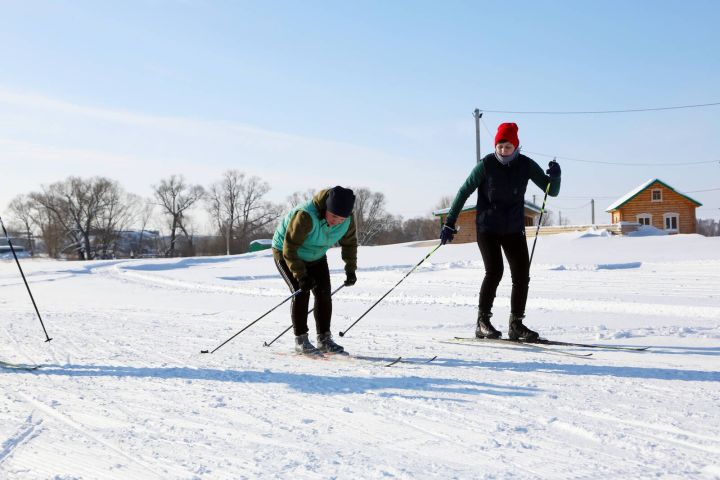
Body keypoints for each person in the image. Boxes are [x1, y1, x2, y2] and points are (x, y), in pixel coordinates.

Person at [440, 122, 561, 342]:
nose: (503, 151)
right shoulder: (485, 165)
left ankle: (516, 324)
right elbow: (463, 191)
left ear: (516, 146)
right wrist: (449, 222)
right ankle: (482, 322)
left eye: (508, 147)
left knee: (521, 275)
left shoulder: (526, 165)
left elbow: (551, 191)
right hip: (488, 228)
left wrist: (555, 176)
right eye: (500, 147)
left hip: (514, 228)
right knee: (494, 271)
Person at [272, 186, 358, 355]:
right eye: (334, 216)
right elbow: (289, 249)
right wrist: (301, 276)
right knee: (301, 292)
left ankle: (324, 339)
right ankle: (301, 340)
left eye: (341, 219)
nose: (336, 222)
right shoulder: (306, 215)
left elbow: (350, 244)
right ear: (326, 207)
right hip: (287, 253)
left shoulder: (347, 220)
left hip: (316, 255)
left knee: (324, 293)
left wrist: (350, 270)